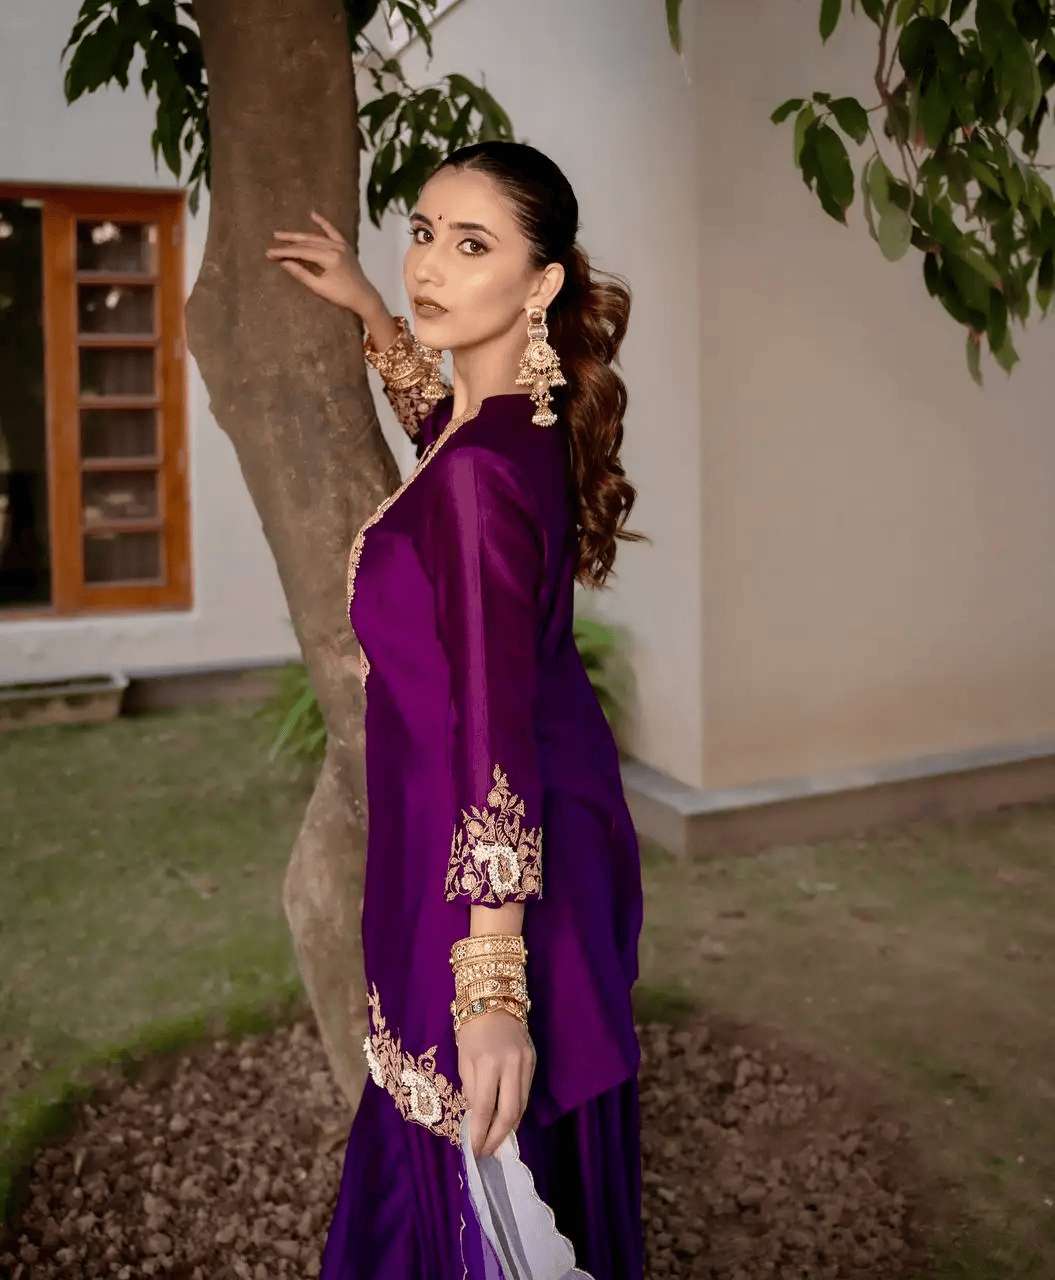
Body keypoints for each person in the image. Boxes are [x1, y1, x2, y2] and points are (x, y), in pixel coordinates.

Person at [266, 139, 646, 1279]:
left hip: (484, 877)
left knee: (475, 1145)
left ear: (541, 282)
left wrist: (488, 987)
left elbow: (491, 731)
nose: (429, 263)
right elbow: (440, 431)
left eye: (471, 245)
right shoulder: (508, 429)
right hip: (531, 839)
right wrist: (372, 311)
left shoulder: (483, 475)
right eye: (424, 232)